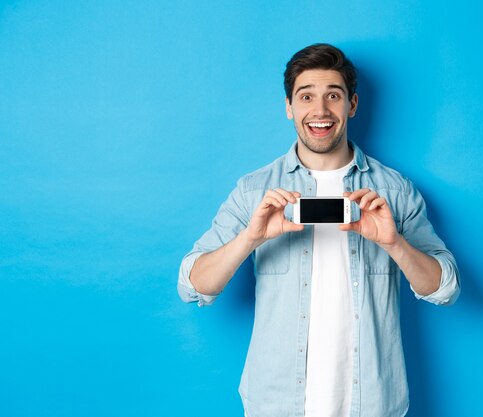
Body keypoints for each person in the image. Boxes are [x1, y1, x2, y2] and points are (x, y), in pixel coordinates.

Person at [178, 43, 460, 417]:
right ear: (289, 108)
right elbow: (193, 285)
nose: (320, 110)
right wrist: (251, 237)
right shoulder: (254, 190)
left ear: (352, 105)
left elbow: (446, 288)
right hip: (277, 404)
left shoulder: (394, 190)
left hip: (373, 404)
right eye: (306, 96)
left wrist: (395, 244)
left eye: (333, 96)